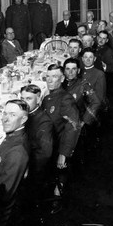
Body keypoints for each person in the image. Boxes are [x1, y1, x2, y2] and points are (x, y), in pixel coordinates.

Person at [42, 64, 82, 214]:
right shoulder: (48, 96)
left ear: (62, 78)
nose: (50, 80)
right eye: (48, 76)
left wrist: (63, 154)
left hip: (56, 145)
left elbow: (74, 126)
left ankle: (56, 196)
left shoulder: (65, 99)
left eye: (54, 77)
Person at [20, 84, 54, 210]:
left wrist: (26, 168)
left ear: (39, 99)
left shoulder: (44, 122)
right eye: (22, 99)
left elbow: (45, 154)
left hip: (36, 169)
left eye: (29, 99)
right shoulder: (27, 114)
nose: (24, 102)